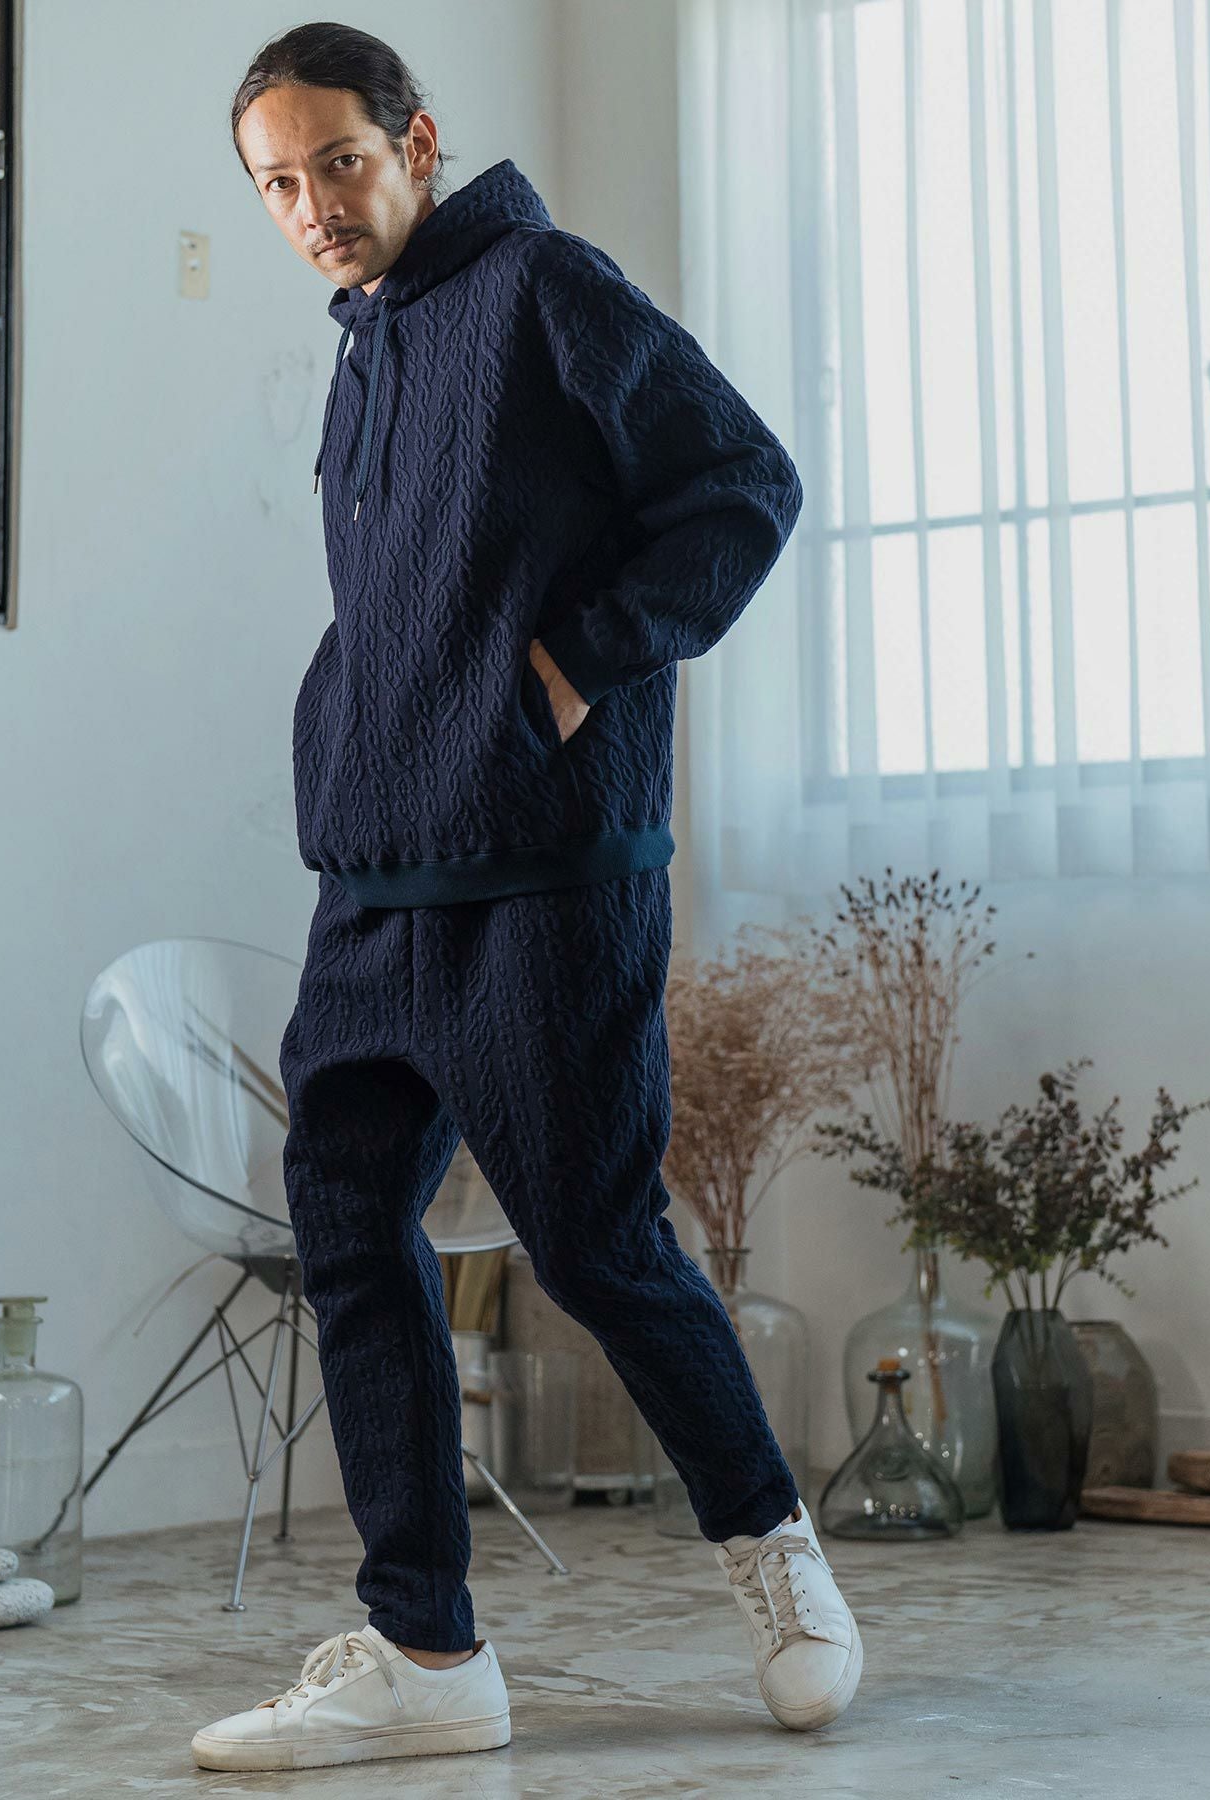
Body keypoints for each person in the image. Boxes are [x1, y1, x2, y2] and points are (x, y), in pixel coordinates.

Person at [192, 20, 863, 1776]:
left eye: (341, 162)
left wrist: (574, 665)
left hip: (550, 872)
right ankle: (426, 1649)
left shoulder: (549, 287)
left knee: (593, 1240)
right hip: (375, 875)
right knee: (349, 1230)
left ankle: (776, 1554)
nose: (315, 207)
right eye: (279, 184)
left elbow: (744, 485)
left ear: (418, 142)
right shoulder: (366, 352)